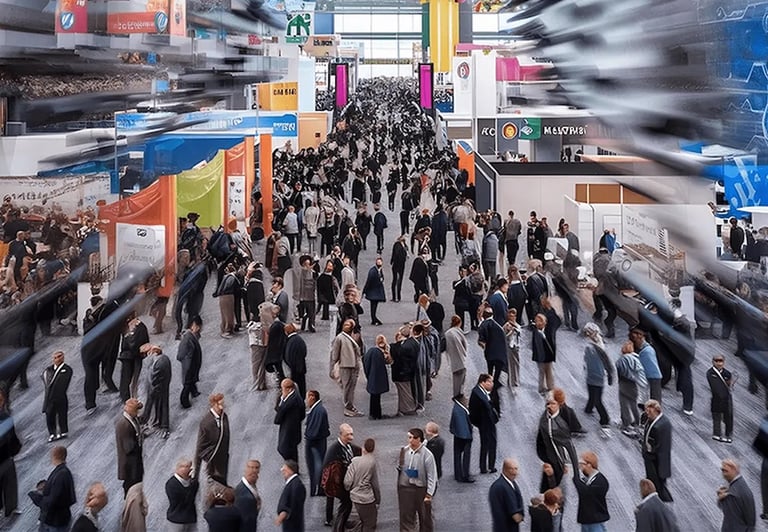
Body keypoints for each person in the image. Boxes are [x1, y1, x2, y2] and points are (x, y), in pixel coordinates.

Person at [397, 428, 438, 532]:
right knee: (406, 516)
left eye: (413, 438)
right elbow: (400, 468)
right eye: (409, 437)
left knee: (425, 518)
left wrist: (429, 494)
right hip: (406, 488)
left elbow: (432, 476)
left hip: (421, 489)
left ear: (419, 439)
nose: (410, 440)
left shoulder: (427, 455)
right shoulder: (404, 451)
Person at [28, 445, 76, 532]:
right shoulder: (64, 472)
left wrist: (37, 498)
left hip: (55, 522)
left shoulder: (61, 474)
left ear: (55, 456)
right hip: (57, 519)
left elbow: (53, 499)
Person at [323, 423, 361, 531]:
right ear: (340, 435)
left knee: (345, 504)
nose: (351, 437)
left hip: (343, 481)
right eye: (347, 435)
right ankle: (338, 527)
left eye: (351, 434)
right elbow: (328, 469)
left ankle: (338, 522)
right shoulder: (334, 450)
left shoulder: (348, 446)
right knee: (346, 503)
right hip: (337, 483)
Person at [536, 392, 577, 492]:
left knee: (558, 481)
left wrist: (576, 474)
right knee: (548, 483)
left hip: (559, 458)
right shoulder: (544, 419)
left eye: (553, 403)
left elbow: (570, 447)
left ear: (560, 404)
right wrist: (545, 459)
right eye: (548, 403)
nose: (549, 406)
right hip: (549, 456)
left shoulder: (564, 419)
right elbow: (540, 441)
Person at [343, 438, 381, 532]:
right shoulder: (372, 462)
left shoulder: (355, 461)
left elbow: (347, 481)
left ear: (363, 448)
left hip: (355, 497)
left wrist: (349, 489)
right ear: (373, 449)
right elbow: (375, 485)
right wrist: (377, 500)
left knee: (358, 523)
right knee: (369, 524)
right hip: (367, 498)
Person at [582, 323, 614, 430]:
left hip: (597, 375)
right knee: (591, 391)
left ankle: (605, 419)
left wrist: (610, 374)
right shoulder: (591, 344)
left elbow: (606, 362)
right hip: (591, 373)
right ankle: (589, 408)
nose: (587, 334)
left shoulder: (597, 347)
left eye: (588, 332)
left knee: (597, 399)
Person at [194, 393, 231, 486]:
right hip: (213, 463)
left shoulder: (224, 417)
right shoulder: (206, 423)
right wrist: (196, 476)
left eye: (223, 404)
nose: (223, 407)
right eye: (220, 404)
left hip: (223, 460)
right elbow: (199, 448)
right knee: (215, 487)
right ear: (214, 404)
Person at [330, 319, 363, 417]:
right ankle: (348, 407)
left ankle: (350, 406)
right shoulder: (340, 338)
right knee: (347, 387)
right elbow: (335, 355)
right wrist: (333, 367)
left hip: (352, 365)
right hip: (346, 366)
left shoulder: (347, 337)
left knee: (350, 387)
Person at [641, 399, 673, 502]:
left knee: (656, 483)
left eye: (649, 411)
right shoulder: (660, 421)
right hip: (656, 460)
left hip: (655, 460)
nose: (647, 413)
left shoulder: (659, 426)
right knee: (656, 482)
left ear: (655, 410)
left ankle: (658, 500)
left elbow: (659, 445)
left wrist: (649, 450)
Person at [616, 340, 648, 437]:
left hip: (624, 384)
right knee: (633, 404)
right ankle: (637, 424)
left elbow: (620, 372)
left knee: (624, 405)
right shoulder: (637, 358)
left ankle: (626, 424)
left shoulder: (621, 360)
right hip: (634, 385)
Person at [139, 344, 171, 439]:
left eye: (146, 353)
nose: (146, 356)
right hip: (162, 387)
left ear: (152, 352)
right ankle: (162, 424)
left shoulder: (157, 362)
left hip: (156, 389)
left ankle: (154, 425)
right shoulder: (164, 358)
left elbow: (152, 379)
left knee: (155, 408)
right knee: (163, 406)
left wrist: (151, 392)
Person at [469, 374, 500, 475]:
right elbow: (474, 410)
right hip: (486, 423)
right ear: (483, 382)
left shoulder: (480, 391)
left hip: (485, 423)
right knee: (490, 444)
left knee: (485, 444)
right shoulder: (477, 393)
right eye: (490, 382)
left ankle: (485, 467)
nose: (492, 384)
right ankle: (490, 466)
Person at [572, 451, 610, 532]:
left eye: (582, 465)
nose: (581, 468)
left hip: (594, 521)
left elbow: (586, 492)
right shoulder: (590, 479)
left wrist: (575, 478)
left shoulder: (600, 481)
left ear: (589, 465)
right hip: (588, 520)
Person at [41, 350, 72, 443]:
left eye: (59, 356)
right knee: (49, 415)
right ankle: (52, 433)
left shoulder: (67, 369)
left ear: (63, 357)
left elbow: (62, 383)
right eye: (55, 357)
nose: (57, 359)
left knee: (62, 414)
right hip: (49, 398)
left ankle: (63, 431)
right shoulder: (48, 370)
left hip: (60, 397)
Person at [478, 307, 507, 405]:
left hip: (490, 353)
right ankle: (495, 384)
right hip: (500, 354)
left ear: (484, 315)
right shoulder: (498, 325)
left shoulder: (483, 325)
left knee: (490, 370)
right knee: (497, 372)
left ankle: (490, 390)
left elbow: (482, 341)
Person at [115, 398, 144, 497]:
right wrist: (139, 443)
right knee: (131, 488)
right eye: (136, 410)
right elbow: (129, 447)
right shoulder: (124, 425)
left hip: (134, 463)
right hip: (130, 465)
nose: (138, 413)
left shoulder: (131, 420)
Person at [718, 459, 756, 532]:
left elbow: (729, 513)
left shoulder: (733, 493)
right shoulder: (739, 484)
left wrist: (721, 499)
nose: (723, 474)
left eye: (725, 471)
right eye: (722, 471)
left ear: (734, 469)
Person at [305, 390, 330, 497]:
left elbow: (314, 430)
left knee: (315, 465)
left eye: (307, 397)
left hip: (315, 444)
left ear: (312, 397)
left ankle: (317, 489)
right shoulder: (318, 409)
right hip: (318, 442)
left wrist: (308, 436)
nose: (306, 400)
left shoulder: (318, 411)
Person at [118, 315, 149, 402]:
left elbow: (124, 342)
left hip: (127, 355)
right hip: (136, 356)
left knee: (125, 378)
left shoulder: (127, 326)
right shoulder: (141, 326)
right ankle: (132, 397)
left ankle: (125, 397)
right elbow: (145, 340)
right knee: (135, 377)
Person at [274, 378, 306, 463]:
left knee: (287, 453)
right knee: (293, 454)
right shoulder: (297, 396)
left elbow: (277, 419)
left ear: (289, 389)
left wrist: (282, 399)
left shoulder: (289, 402)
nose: (281, 391)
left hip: (288, 433)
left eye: (283, 388)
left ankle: (291, 468)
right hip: (295, 433)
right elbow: (302, 414)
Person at [488, 458, 524, 531]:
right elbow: (516, 517)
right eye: (511, 469)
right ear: (504, 469)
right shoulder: (503, 487)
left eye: (516, 469)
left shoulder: (508, 483)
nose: (514, 472)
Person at [391, 326, 419, 416]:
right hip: (409, 371)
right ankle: (403, 409)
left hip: (402, 373)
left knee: (404, 392)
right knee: (406, 391)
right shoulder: (413, 343)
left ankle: (407, 409)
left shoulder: (403, 347)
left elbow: (399, 358)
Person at [165, 458, 199, 532]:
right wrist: (191, 485)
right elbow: (182, 500)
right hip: (176, 520)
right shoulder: (171, 484)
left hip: (191, 519)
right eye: (188, 467)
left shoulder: (193, 482)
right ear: (180, 468)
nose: (191, 469)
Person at [177, 315, 203, 409]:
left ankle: (194, 392)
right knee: (187, 383)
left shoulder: (191, 336)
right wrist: (187, 366)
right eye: (197, 326)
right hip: (189, 365)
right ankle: (184, 401)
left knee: (191, 380)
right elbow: (182, 355)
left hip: (192, 364)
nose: (199, 328)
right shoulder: (188, 338)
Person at [630, 328, 662, 402]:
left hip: (653, 376)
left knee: (654, 399)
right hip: (653, 376)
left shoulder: (646, 351)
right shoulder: (647, 348)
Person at [707, 355, 734, 443]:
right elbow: (714, 386)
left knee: (728, 416)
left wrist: (730, 385)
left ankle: (728, 434)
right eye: (717, 361)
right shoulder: (710, 373)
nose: (719, 363)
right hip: (716, 398)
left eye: (721, 361)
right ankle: (717, 433)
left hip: (726, 398)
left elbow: (728, 385)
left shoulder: (727, 373)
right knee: (716, 415)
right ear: (713, 362)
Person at [363, 335, 391, 420]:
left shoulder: (371, 351)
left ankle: (373, 414)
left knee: (374, 396)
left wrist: (367, 374)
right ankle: (377, 414)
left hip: (372, 376)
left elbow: (366, 364)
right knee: (377, 397)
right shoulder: (382, 353)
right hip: (380, 378)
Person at [276, 459, 306, 531]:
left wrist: (285, 513)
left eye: (285, 469)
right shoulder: (293, 483)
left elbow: (294, 504)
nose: (282, 470)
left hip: (293, 525)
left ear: (291, 470)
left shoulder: (296, 485)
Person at [449, 394, 474, 483]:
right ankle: (465, 475)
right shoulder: (460, 410)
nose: (466, 400)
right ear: (461, 400)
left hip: (458, 435)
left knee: (457, 454)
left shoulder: (457, 408)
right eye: (465, 398)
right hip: (464, 436)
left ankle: (458, 474)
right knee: (466, 456)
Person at [235, 459, 262, 532]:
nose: (254, 470)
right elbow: (244, 520)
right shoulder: (242, 493)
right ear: (245, 469)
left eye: (256, 468)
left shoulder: (252, 487)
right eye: (251, 467)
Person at [532, 313, 557, 394]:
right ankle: (541, 388)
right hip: (540, 357)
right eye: (536, 321)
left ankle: (550, 387)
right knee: (541, 372)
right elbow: (535, 345)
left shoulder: (548, 331)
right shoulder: (535, 332)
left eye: (540, 321)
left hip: (548, 356)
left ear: (544, 322)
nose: (538, 323)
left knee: (549, 372)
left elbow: (552, 343)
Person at [444, 316, 468, 398]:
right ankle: (459, 393)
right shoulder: (459, 332)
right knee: (462, 376)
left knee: (456, 377)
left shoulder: (448, 333)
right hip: (461, 357)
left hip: (453, 358)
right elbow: (465, 345)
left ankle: (456, 393)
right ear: (460, 323)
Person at [283, 325, 308, 398]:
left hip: (294, 368)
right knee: (302, 385)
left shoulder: (290, 341)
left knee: (295, 386)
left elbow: (288, 356)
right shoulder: (299, 339)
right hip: (301, 366)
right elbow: (304, 352)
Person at [363, 257, 386, 326]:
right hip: (373, 291)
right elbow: (368, 281)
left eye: (380, 262)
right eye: (378, 262)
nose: (379, 263)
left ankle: (374, 319)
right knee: (373, 306)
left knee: (374, 306)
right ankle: (374, 319)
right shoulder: (372, 271)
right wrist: (365, 290)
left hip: (376, 291)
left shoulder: (379, 270)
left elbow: (382, 277)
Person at [503, 309, 522, 389]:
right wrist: (510, 331)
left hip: (516, 346)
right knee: (510, 364)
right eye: (510, 316)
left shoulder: (518, 325)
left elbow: (520, 334)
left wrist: (516, 330)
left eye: (513, 316)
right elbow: (504, 337)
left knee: (517, 364)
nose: (512, 318)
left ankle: (516, 380)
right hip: (509, 347)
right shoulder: (506, 326)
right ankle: (511, 381)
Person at [297, 257, 317, 333]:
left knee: (311, 312)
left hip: (311, 296)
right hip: (305, 296)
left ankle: (311, 325)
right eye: (305, 264)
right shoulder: (302, 272)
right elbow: (300, 285)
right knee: (306, 312)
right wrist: (301, 297)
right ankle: (305, 325)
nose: (307, 266)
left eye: (309, 264)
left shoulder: (312, 273)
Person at [391, 235, 408, 302]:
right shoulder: (398, 245)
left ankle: (397, 296)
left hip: (400, 265)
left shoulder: (403, 245)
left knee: (398, 280)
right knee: (397, 280)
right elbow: (396, 254)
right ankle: (396, 296)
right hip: (398, 265)